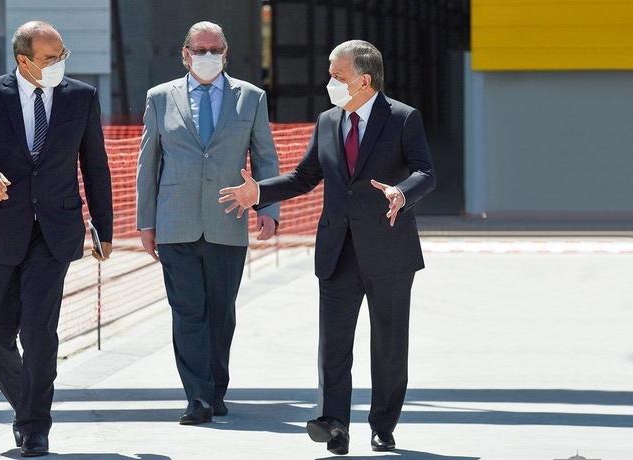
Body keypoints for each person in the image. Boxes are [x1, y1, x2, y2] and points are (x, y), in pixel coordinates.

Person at [219, 39, 436, 455]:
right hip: (337, 249)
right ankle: (335, 423)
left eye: (337, 76)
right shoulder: (327, 122)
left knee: (388, 345)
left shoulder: (403, 119)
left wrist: (402, 193)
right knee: (334, 345)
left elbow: (426, 172)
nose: (329, 84)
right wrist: (259, 192)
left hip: (389, 248)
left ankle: (383, 425)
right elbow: (304, 177)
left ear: (364, 80)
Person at [0, 20, 113, 457]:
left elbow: (96, 166)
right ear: (24, 61)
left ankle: (35, 424)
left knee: (39, 331)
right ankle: (28, 404)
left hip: (56, 232)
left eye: (63, 56)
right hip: (2, 230)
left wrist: (105, 228)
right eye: (50, 58)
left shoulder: (81, 97)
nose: (60, 64)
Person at [136, 21, 280, 425]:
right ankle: (196, 397)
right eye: (199, 50)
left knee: (221, 311)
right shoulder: (160, 98)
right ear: (185, 54)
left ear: (226, 53)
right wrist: (146, 221)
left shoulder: (250, 97)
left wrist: (267, 207)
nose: (207, 56)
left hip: (228, 220)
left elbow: (266, 157)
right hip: (175, 220)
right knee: (187, 311)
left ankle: (216, 389)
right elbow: (148, 164)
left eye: (214, 49)